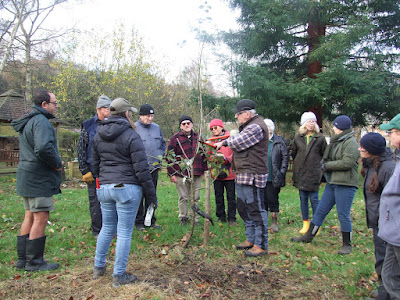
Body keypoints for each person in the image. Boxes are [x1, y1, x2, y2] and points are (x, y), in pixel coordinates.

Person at [91, 98, 157, 288]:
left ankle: (99, 267)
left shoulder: (98, 134)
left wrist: (102, 180)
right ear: (126, 113)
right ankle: (118, 274)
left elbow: (94, 165)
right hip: (126, 188)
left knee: (107, 227)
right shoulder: (131, 135)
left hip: (105, 188)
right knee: (124, 232)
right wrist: (151, 195)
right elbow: (142, 169)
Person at [291, 115, 360, 255]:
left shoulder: (350, 142)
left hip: (345, 183)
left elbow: (348, 162)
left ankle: (347, 244)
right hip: (333, 181)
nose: (333, 127)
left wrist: (327, 165)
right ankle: (309, 236)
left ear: (340, 127)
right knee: (321, 210)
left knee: (343, 214)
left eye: (335, 125)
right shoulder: (337, 140)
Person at [11, 89, 62, 271]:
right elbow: (43, 148)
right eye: (54, 103)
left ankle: (22, 261)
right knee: (41, 216)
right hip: (38, 177)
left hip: (26, 174)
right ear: (44, 105)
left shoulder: (29, 120)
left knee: (30, 216)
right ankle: (34, 262)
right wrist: (57, 163)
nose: (56, 106)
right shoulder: (41, 121)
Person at [215, 99, 269, 257]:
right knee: (243, 207)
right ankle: (251, 239)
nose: (236, 117)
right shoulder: (248, 126)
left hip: (253, 175)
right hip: (242, 174)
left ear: (247, 114)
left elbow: (238, 142)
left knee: (256, 209)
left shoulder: (256, 126)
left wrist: (224, 142)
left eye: (238, 114)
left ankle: (261, 244)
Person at [359, 132, 395, 300]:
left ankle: (386, 294)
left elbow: (392, 200)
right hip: (377, 221)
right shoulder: (371, 164)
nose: (359, 149)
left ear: (372, 150)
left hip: (387, 223)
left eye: (363, 147)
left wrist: (385, 221)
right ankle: (384, 291)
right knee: (380, 257)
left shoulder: (388, 168)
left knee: (387, 261)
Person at [78, 95, 111, 238]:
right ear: (99, 109)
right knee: (95, 201)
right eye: (107, 108)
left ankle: (110, 228)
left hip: (109, 168)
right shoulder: (88, 125)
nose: (110, 110)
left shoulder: (112, 124)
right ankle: (97, 230)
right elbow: (81, 149)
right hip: (93, 170)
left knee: (110, 199)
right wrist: (84, 170)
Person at [166, 115, 208, 225]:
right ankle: (183, 218)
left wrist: (205, 170)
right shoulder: (175, 139)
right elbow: (169, 157)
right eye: (183, 124)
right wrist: (172, 173)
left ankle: (195, 219)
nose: (186, 125)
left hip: (197, 172)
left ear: (192, 124)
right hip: (181, 173)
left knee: (196, 197)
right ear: (180, 126)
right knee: (183, 197)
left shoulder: (199, 137)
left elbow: (204, 154)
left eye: (188, 123)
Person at [291, 112, 327, 235]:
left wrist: (319, 168)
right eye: (308, 121)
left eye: (313, 121)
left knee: (314, 199)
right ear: (304, 123)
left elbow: (324, 154)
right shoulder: (298, 137)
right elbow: (294, 153)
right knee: (303, 199)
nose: (311, 124)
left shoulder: (320, 138)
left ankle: (316, 225)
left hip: (314, 173)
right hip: (301, 173)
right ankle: (305, 223)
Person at [378, 113, 400, 299]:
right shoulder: (398, 158)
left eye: (392, 132)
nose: (389, 136)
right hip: (393, 232)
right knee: (390, 276)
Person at [134, 104, 166, 230]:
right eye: (148, 116)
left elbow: (162, 144)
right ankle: (139, 222)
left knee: (151, 195)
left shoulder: (156, 128)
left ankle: (150, 221)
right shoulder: (134, 128)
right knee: (139, 196)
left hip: (154, 168)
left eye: (152, 116)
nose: (150, 118)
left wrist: (160, 155)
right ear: (141, 116)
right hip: (140, 169)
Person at [207, 119, 236, 225]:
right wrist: (215, 159)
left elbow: (235, 154)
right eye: (212, 129)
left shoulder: (231, 138)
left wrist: (226, 159)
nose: (214, 130)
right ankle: (221, 216)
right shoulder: (210, 141)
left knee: (231, 197)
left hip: (230, 173)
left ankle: (232, 218)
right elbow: (208, 154)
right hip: (216, 173)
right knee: (218, 196)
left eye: (216, 127)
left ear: (221, 127)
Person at [263, 119, 289, 233]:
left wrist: (281, 172)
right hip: (261, 176)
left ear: (272, 129)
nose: (267, 129)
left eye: (268, 127)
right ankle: (263, 222)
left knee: (273, 200)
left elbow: (285, 158)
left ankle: (274, 223)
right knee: (262, 200)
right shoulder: (259, 142)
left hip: (273, 177)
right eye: (265, 127)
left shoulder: (278, 142)